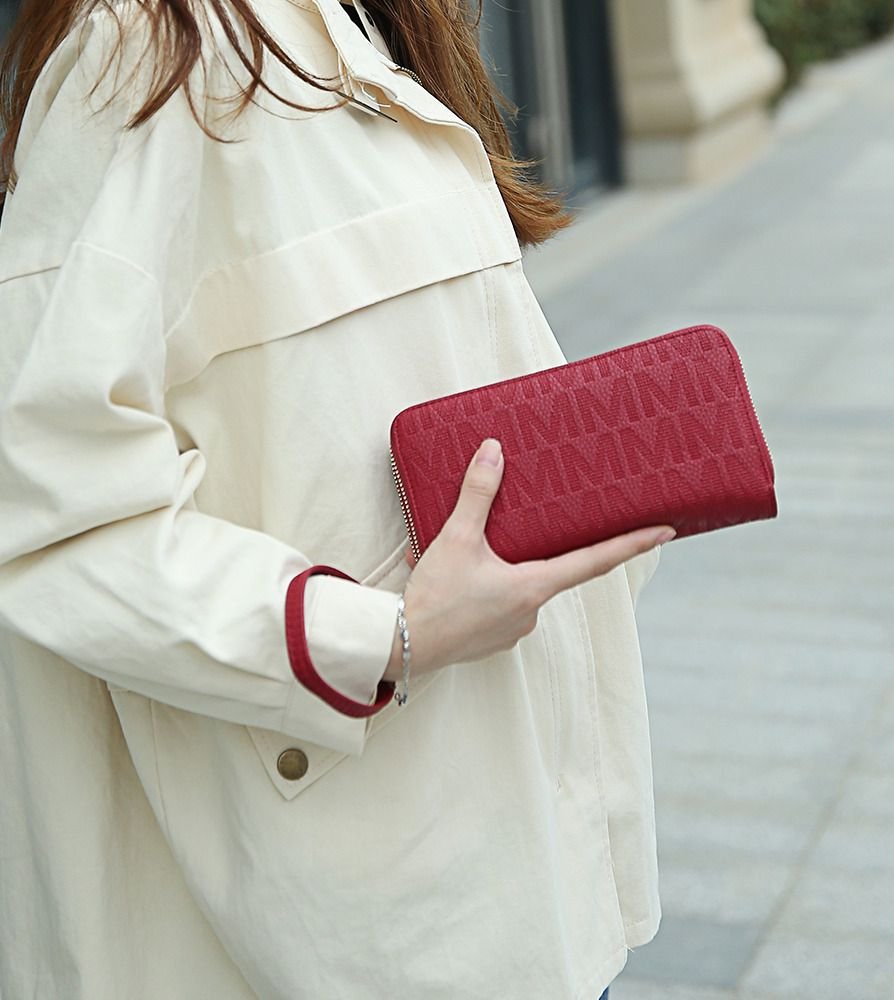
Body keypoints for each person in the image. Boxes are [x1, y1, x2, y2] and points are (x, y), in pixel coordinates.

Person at [0, 0, 674, 996]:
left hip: (517, 848)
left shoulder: (374, 33)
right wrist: (384, 637)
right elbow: (55, 515)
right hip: (332, 911)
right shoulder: (150, 52)